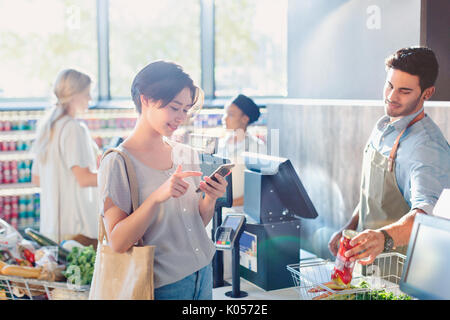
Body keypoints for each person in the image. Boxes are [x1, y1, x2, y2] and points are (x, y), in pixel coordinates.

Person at [98, 61, 227, 300]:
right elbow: (117, 242)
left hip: (203, 271)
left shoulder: (186, 154)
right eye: (174, 107)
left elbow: (195, 223)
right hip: (162, 285)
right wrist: (157, 197)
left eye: (186, 110)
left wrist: (210, 197)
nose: (181, 117)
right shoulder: (118, 163)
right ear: (146, 100)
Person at [328, 46, 450, 266]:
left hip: (399, 274)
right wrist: (350, 227)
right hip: (368, 265)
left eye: (404, 91)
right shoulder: (385, 125)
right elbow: (374, 195)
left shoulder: (426, 148)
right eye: (389, 85)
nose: (391, 97)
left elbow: (426, 217)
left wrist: (382, 238)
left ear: (427, 93)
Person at [31, 69, 99, 243]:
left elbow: (37, 178)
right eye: (87, 93)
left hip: (52, 228)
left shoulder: (47, 128)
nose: (90, 99)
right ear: (74, 95)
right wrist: (116, 174)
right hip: (76, 230)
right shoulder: (74, 128)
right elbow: (84, 179)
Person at [216, 94, 266, 207]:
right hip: (218, 210)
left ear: (245, 119)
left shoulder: (257, 148)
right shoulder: (221, 143)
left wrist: (226, 204)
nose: (224, 118)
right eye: (225, 113)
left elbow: (258, 190)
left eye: (231, 114)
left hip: (240, 211)